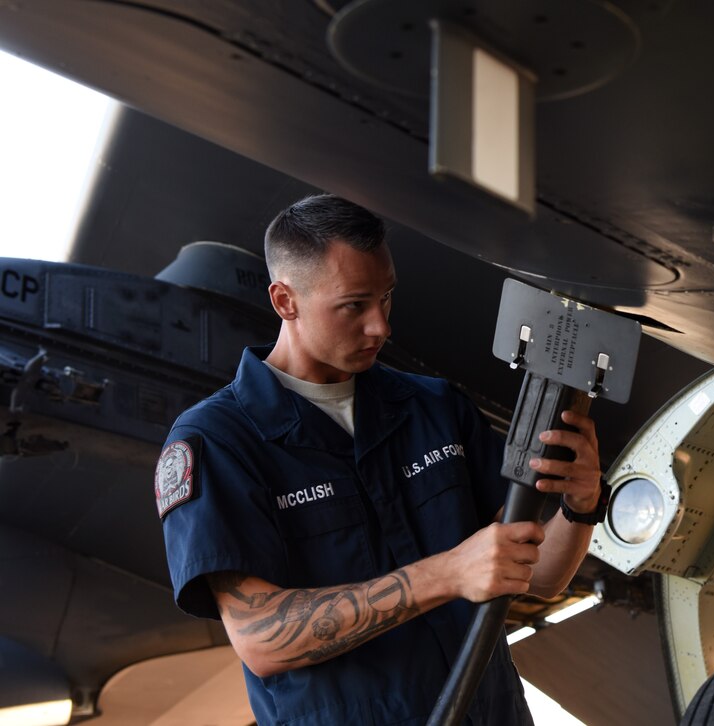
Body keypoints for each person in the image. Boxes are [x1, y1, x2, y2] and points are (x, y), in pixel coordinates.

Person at [155, 194, 606, 725]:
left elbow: (539, 577)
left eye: (386, 298)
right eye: (354, 305)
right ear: (285, 300)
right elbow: (261, 639)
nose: (381, 327)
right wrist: (447, 574)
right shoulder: (219, 442)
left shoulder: (434, 407)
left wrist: (580, 505)